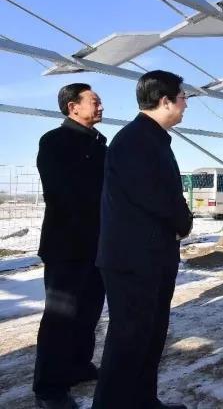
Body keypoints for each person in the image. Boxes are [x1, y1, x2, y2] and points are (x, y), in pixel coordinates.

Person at [93, 70, 192, 409]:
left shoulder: (152, 138)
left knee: (149, 338)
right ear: (165, 101)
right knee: (128, 342)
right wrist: (183, 220)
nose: (185, 104)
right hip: (133, 260)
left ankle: (143, 401)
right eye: (183, 97)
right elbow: (155, 196)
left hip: (152, 256)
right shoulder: (135, 140)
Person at [33, 84, 106, 409]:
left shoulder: (99, 144)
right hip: (66, 245)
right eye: (94, 101)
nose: (100, 105)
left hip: (97, 244)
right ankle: (48, 389)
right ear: (72, 107)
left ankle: (78, 365)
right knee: (60, 316)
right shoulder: (54, 142)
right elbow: (59, 192)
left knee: (89, 311)